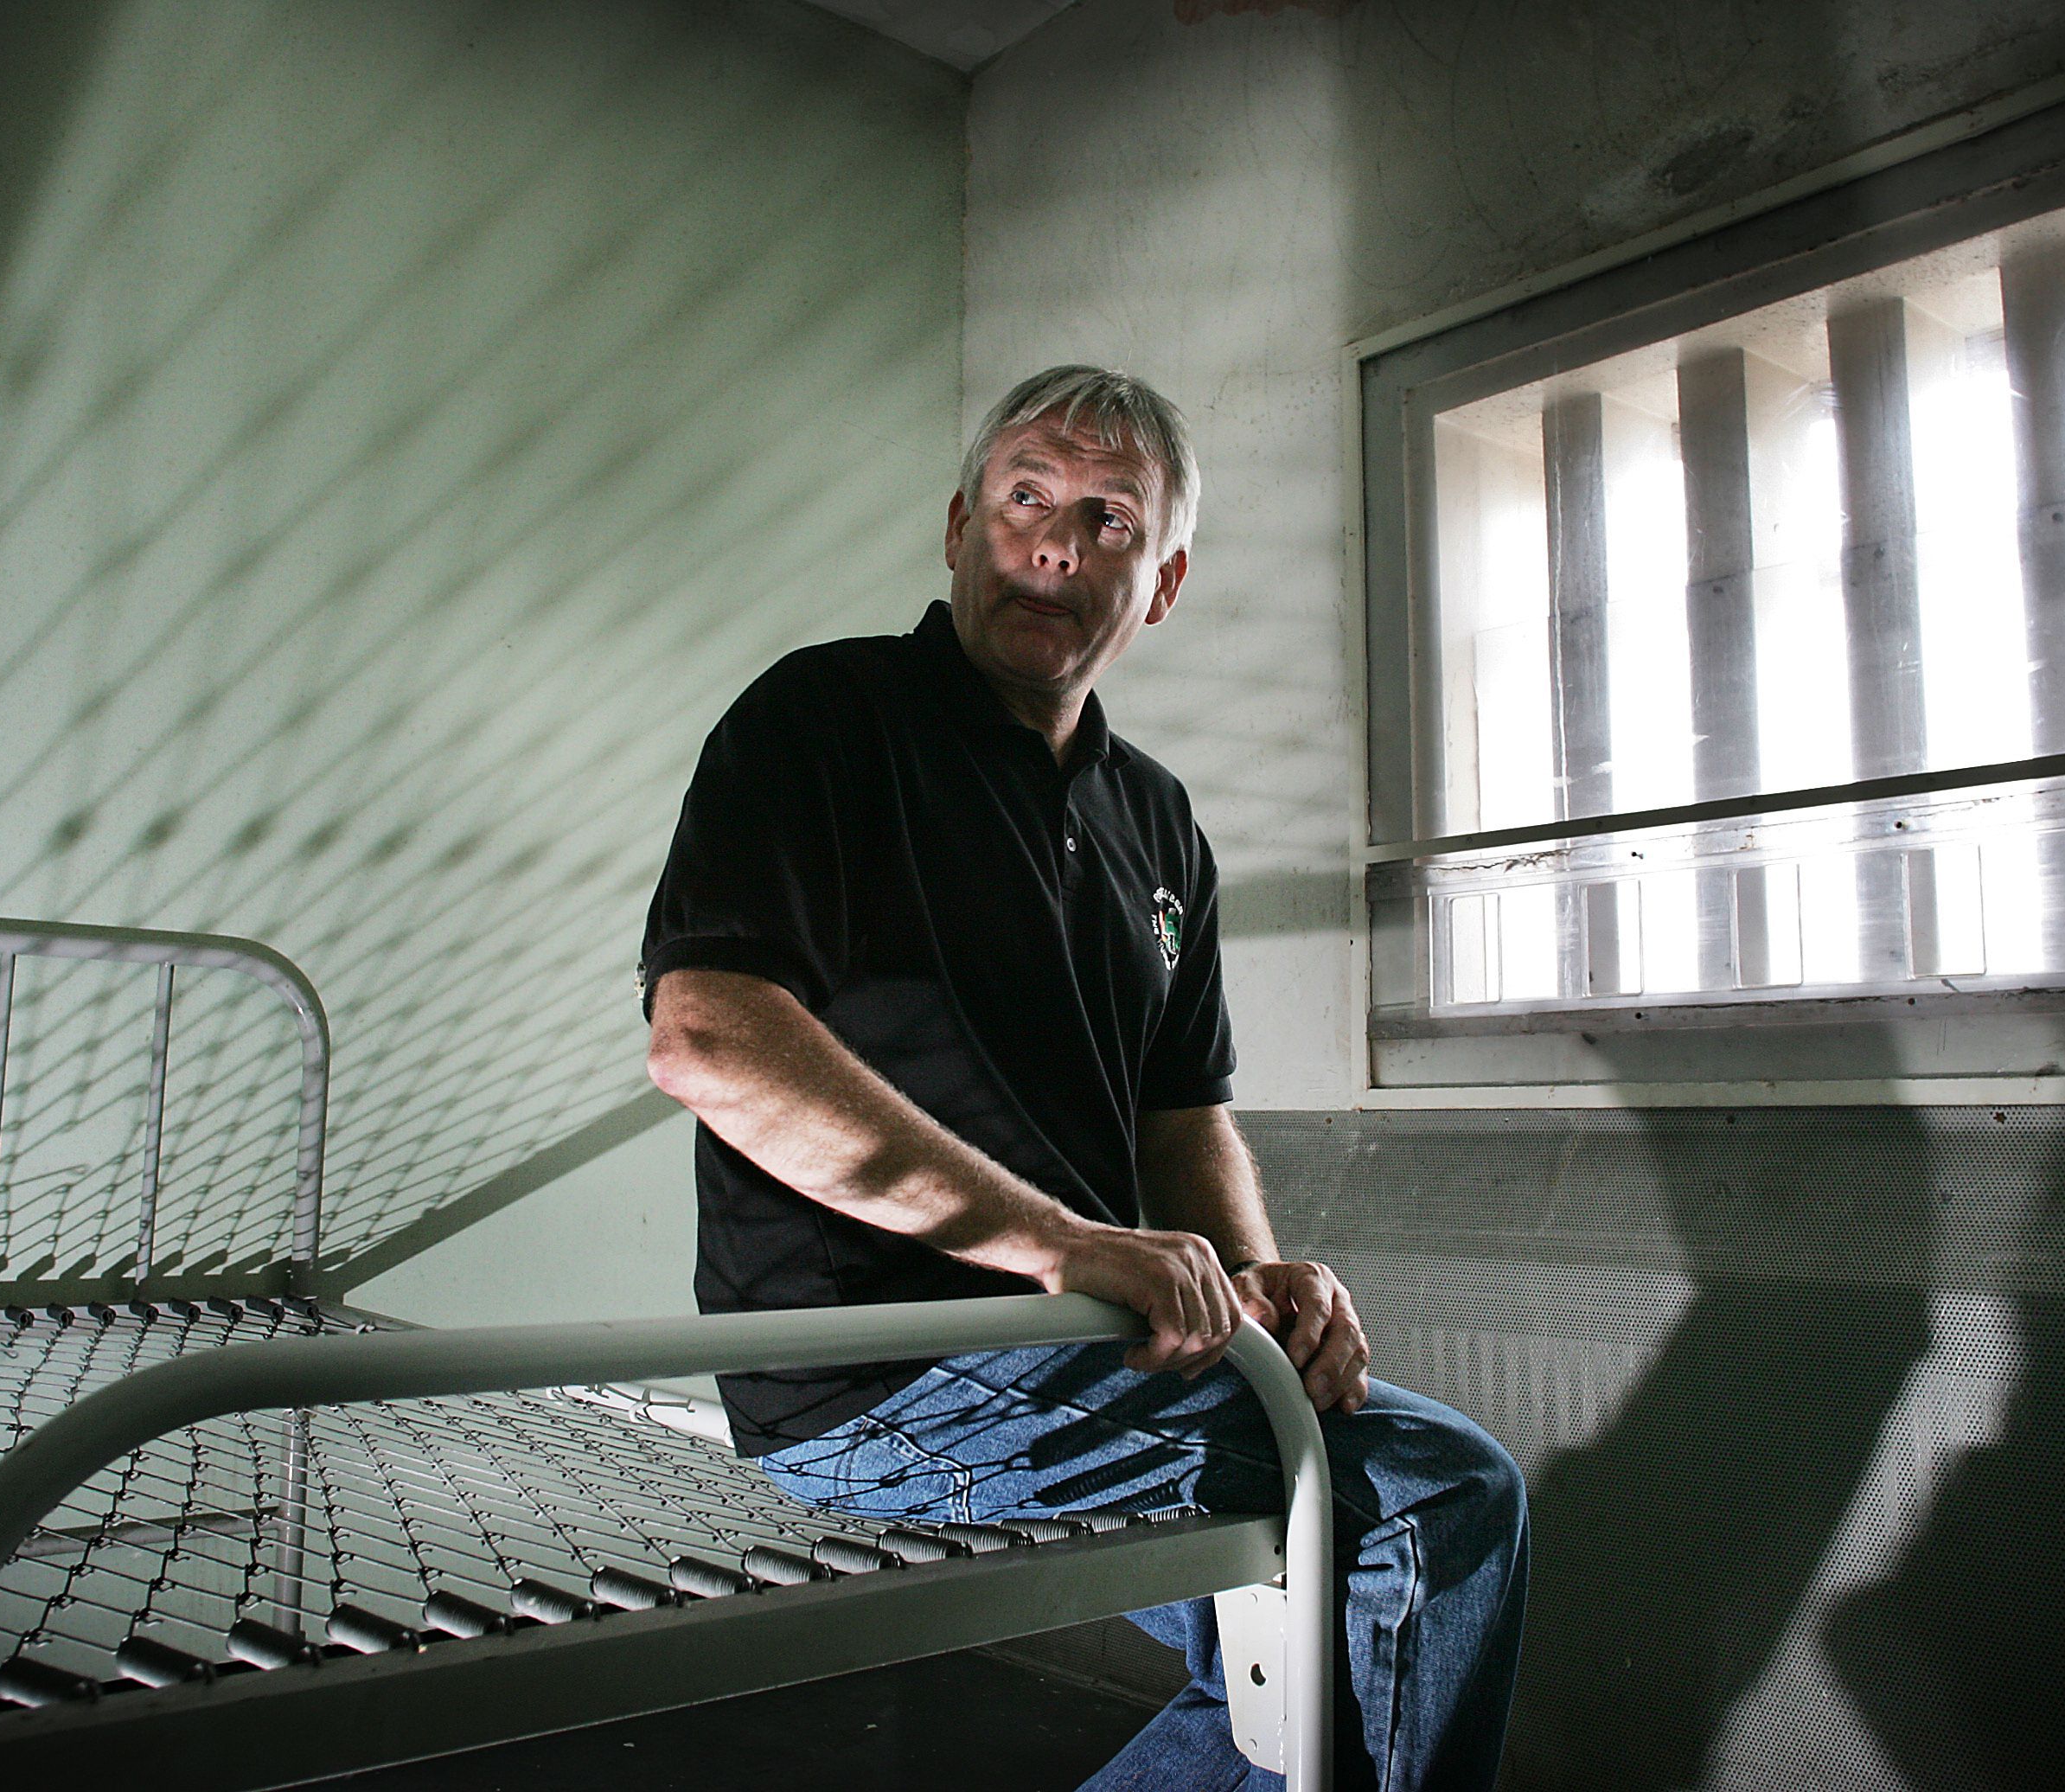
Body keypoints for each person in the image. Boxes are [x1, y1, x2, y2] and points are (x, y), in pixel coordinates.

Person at [638, 366, 1525, 1790]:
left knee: (1343, 1632)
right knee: (1432, 1508)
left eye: (1108, 519)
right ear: (958, 527)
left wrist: (1259, 1281)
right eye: (1026, 498)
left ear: (1161, 583)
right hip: (873, 1368)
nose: (1056, 543)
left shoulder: (1156, 822)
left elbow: (1182, 1108)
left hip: (1089, 1351)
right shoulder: (824, 718)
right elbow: (707, 1037)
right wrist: (1066, 1246)